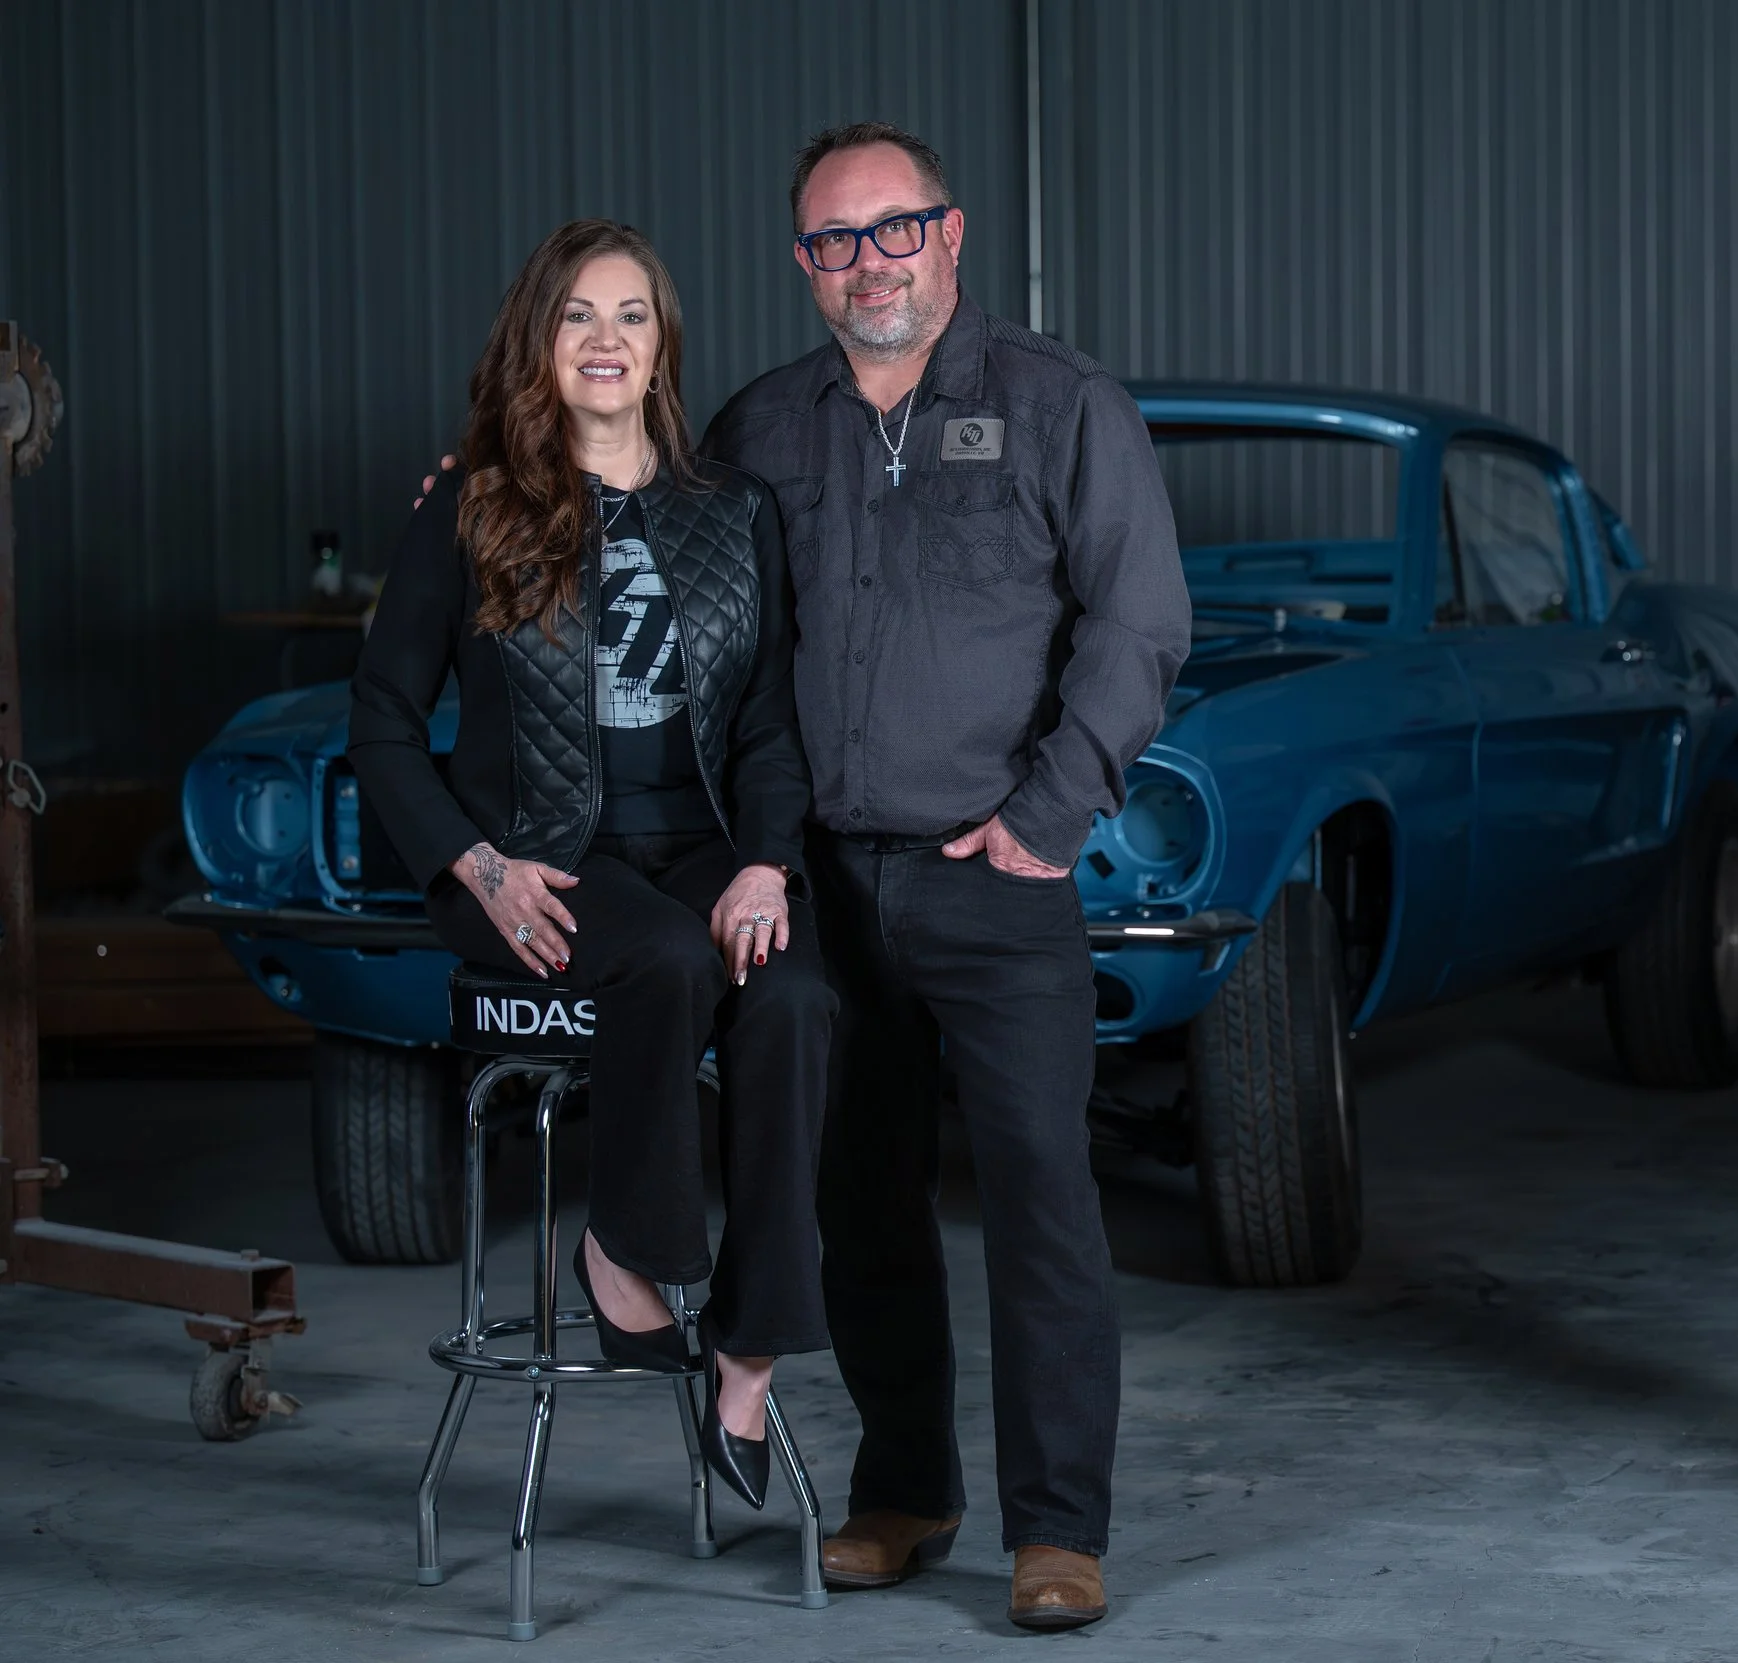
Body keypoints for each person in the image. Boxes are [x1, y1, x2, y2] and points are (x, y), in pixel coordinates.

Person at [701, 122, 1191, 1630]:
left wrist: (1049, 815)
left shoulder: (1059, 406)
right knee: (866, 1198)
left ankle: (1059, 1531)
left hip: (994, 875)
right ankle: (904, 1489)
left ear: (952, 234)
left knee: (1043, 1198)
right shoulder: (763, 430)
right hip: (825, 886)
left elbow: (1139, 624)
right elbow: (681, 590)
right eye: (834, 242)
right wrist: (489, 488)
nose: (868, 264)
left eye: (893, 230)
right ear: (804, 265)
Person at [353, 219, 834, 1512]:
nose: (607, 339)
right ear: (539, 341)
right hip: (530, 861)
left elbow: (774, 725)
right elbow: (383, 722)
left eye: (631, 314)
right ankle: (624, 1247)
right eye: (578, 315)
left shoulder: (734, 513)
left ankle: (749, 1352)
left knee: (794, 997)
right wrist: (477, 862)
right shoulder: (471, 506)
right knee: (667, 960)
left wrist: (768, 868)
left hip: (703, 845)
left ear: (664, 342)